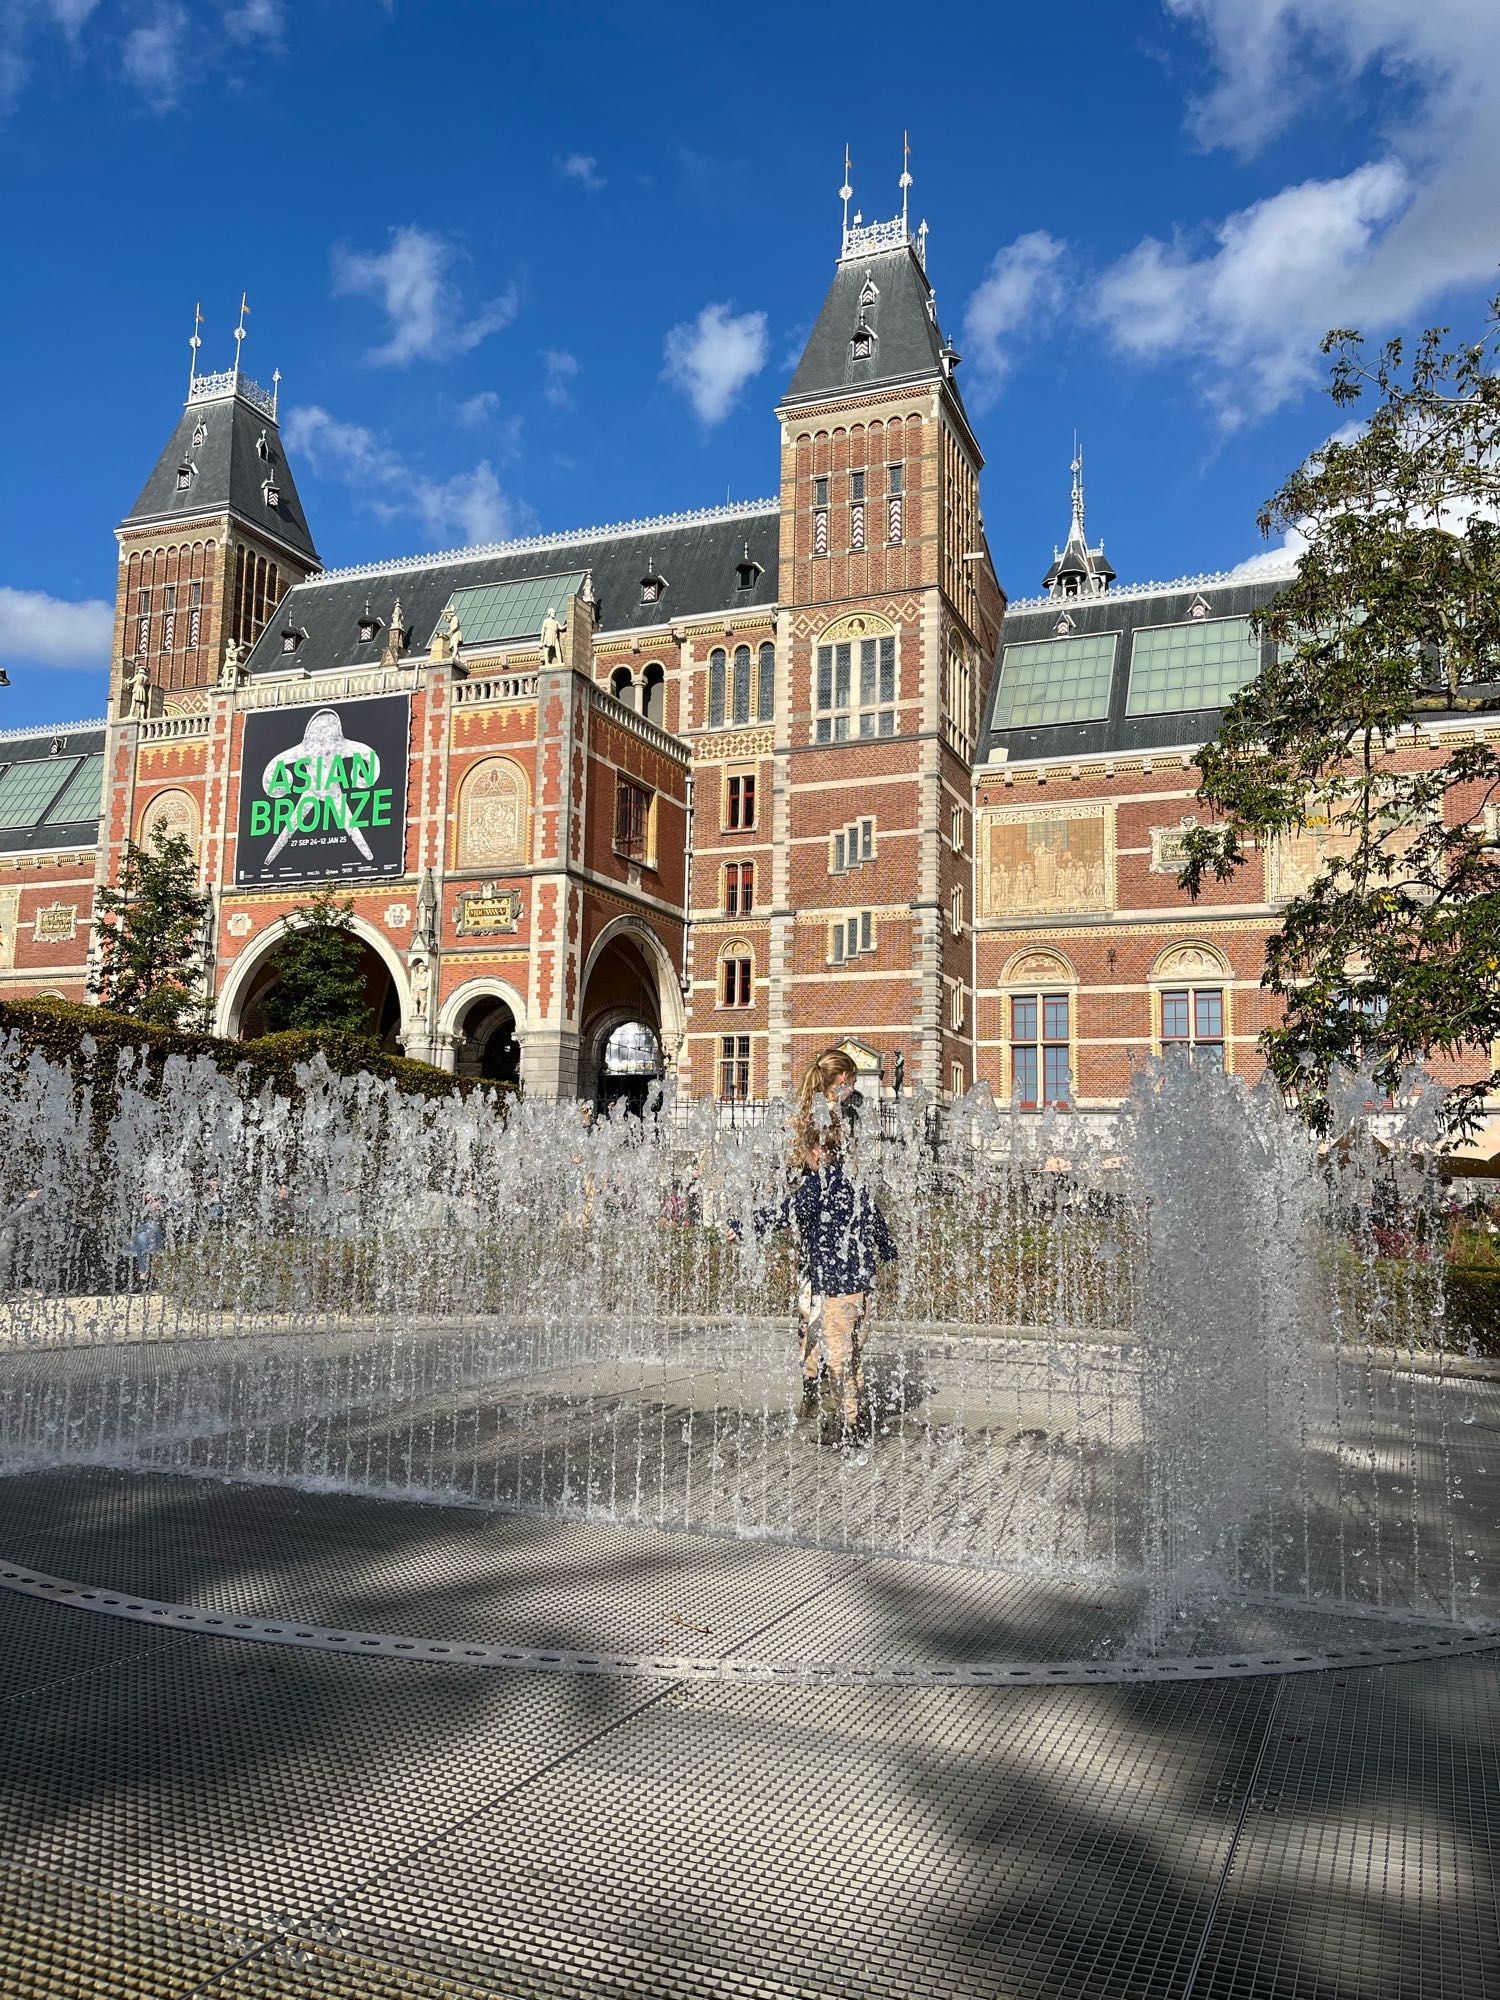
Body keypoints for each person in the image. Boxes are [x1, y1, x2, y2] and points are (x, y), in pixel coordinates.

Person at [749, 1049, 896, 1448]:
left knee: (835, 1345)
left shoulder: (836, 1131)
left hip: (837, 1265)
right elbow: (808, 1201)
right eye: (847, 1080)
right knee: (820, 1331)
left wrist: (748, 1224)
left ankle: (843, 1418)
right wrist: (886, 1249)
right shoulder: (819, 1118)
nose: (852, 1088)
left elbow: (799, 1205)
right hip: (834, 1256)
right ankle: (822, 1397)